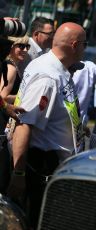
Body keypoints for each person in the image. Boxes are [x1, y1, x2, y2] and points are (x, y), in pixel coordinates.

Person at [6, 22, 86, 229]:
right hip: (39, 168)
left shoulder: (56, 68)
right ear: (75, 45)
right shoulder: (48, 76)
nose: (85, 49)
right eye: (84, 44)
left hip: (49, 168)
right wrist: (19, 174)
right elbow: (25, 124)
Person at [0, 35, 30, 193]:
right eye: (20, 46)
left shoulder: (11, 66)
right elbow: (2, 96)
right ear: (10, 46)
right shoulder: (10, 68)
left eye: (27, 47)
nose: (24, 50)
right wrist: (22, 95)